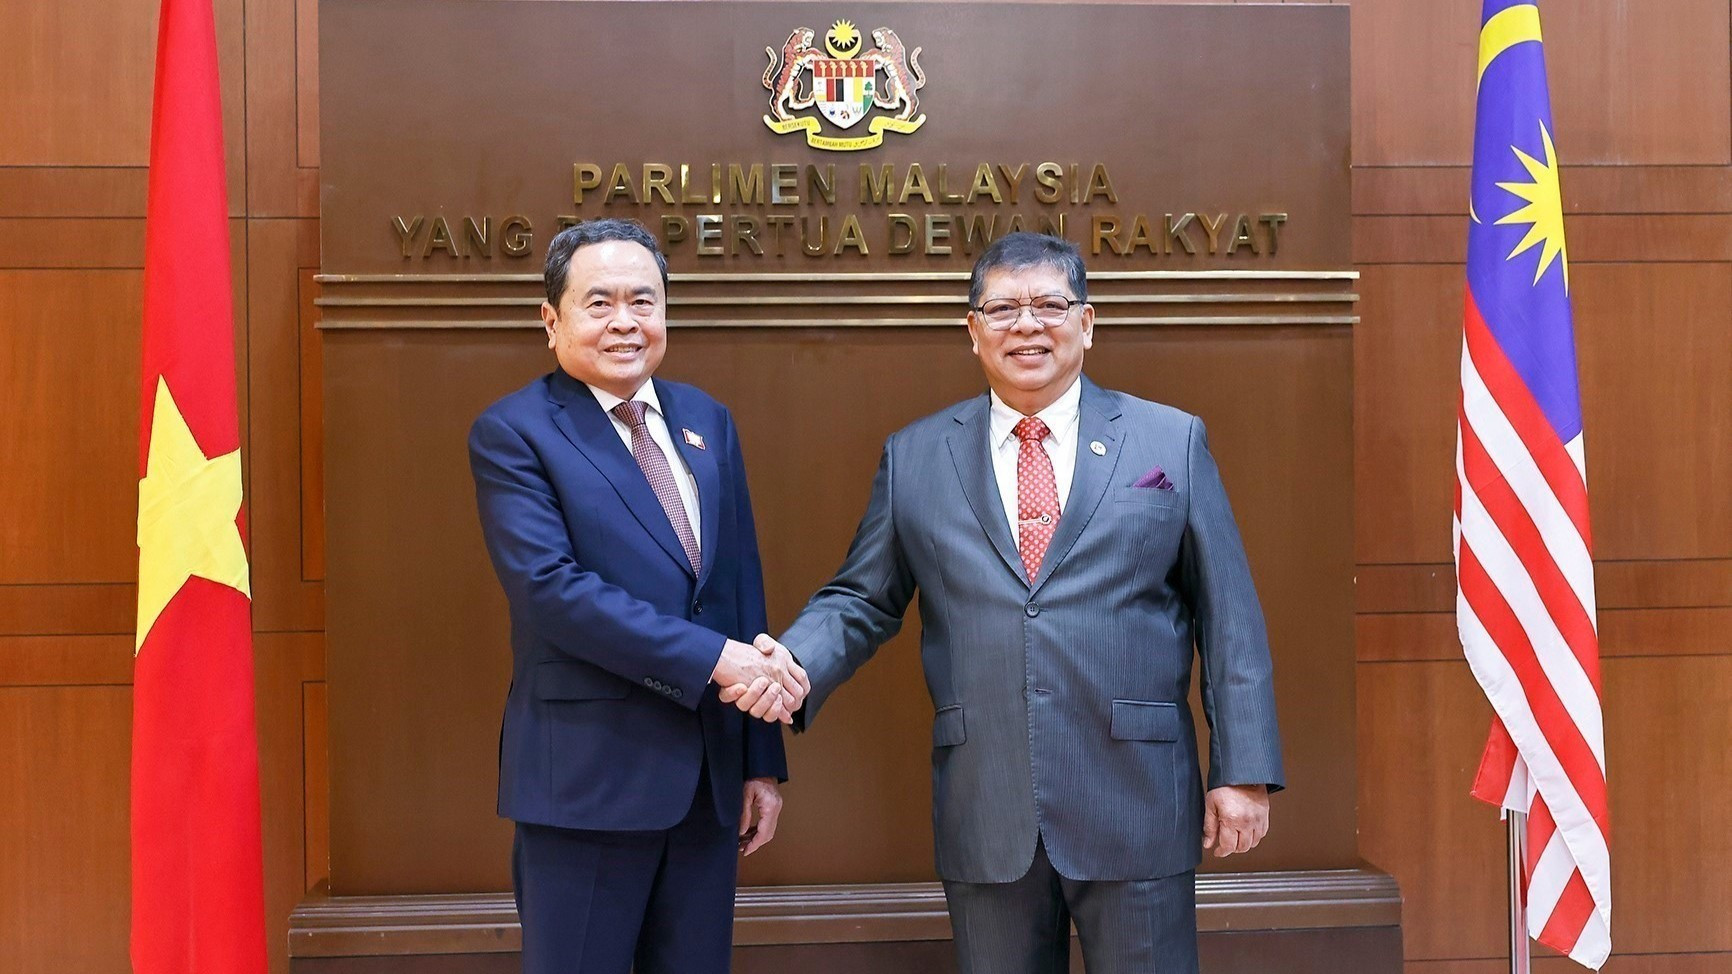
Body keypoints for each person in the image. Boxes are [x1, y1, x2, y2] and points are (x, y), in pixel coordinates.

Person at [732, 232, 1284, 974]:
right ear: (972, 331)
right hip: (987, 800)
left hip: (1136, 797)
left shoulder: (1170, 440)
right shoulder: (917, 455)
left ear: (1086, 322)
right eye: (1003, 309)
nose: (1027, 325)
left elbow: (1230, 618)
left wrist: (1242, 770)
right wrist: (792, 663)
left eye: (1049, 305)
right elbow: (862, 598)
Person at [468, 218, 807, 974]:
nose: (626, 321)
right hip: (586, 784)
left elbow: (738, 588)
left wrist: (760, 761)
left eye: (643, 301)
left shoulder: (704, 420)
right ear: (550, 319)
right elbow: (551, 592)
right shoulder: (516, 432)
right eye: (600, 303)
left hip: (707, 787)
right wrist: (715, 661)